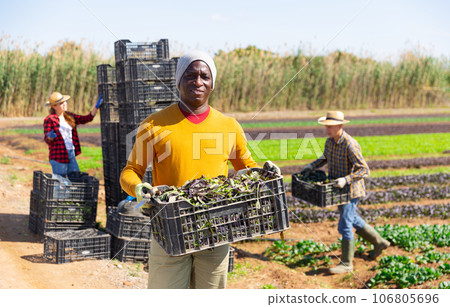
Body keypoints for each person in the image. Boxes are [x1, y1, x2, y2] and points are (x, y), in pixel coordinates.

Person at [120, 50, 280, 289]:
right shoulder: (154, 124)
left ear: (212, 83)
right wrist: (139, 187)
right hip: (169, 231)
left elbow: (247, 167)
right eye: (190, 75)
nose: (198, 82)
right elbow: (131, 171)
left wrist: (264, 173)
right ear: (179, 81)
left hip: (216, 231)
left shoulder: (228, 126)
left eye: (204, 76)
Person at [301, 111, 390, 274]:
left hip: (351, 190)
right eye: (326, 126)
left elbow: (364, 169)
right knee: (353, 218)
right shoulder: (330, 142)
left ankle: (347, 263)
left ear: (340, 126)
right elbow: (325, 157)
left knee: (345, 224)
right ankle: (379, 242)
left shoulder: (350, 144)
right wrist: (312, 166)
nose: (327, 129)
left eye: (331, 126)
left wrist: (346, 180)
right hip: (338, 190)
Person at [44, 91, 103, 177]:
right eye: (61, 103)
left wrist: (96, 107)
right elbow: (47, 139)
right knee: (61, 183)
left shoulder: (69, 116)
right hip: (58, 155)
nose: (64, 104)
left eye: (64, 102)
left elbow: (87, 118)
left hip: (71, 153)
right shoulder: (50, 119)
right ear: (54, 106)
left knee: (76, 178)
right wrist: (50, 137)